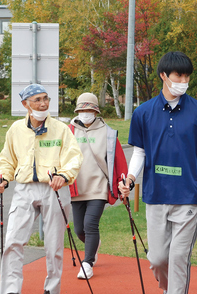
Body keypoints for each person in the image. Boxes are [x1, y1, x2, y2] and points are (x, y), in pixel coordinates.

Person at [118, 51, 197, 294]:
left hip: (189, 198)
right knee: (158, 259)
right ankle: (168, 288)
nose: (183, 81)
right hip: (156, 196)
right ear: (163, 75)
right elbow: (140, 153)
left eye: (187, 76)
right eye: (178, 75)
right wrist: (131, 180)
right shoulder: (143, 112)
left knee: (178, 259)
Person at [0, 84, 83, 294]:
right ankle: (10, 290)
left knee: (54, 246)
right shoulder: (15, 129)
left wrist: (64, 175)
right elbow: (7, 159)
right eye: (37, 100)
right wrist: (4, 178)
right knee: (13, 240)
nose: (43, 103)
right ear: (25, 104)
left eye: (46, 98)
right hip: (24, 189)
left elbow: (74, 157)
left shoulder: (61, 129)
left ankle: (51, 289)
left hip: (54, 189)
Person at [68, 93, 128, 280]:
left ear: (95, 111)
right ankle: (93, 245)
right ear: (78, 111)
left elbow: (118, 160)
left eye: (89, 110)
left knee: (90, 224)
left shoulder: (108, 132)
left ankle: (87, 263)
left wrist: (123, 183)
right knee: (79, 229)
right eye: (82, 110)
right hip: (77, 187)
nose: (85, 114)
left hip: (99, 187)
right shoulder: (69, 131)